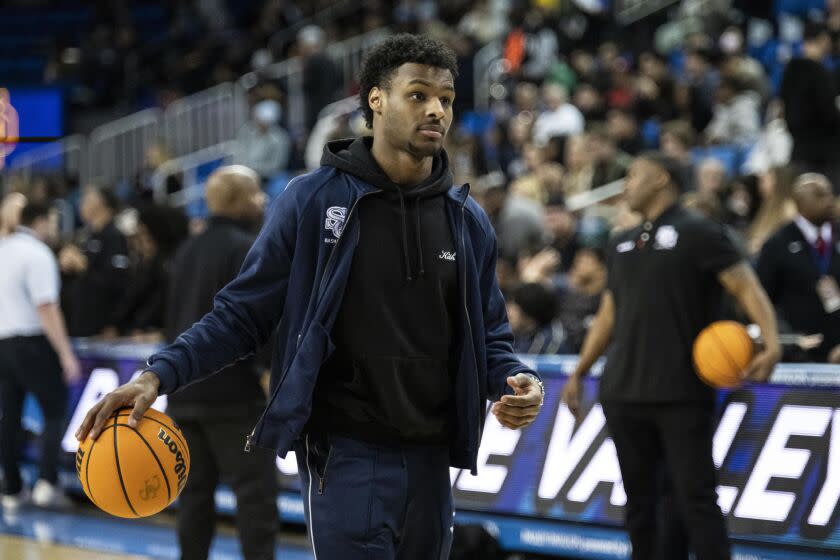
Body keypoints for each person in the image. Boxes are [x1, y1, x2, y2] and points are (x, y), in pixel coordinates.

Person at [77, 34, 544, 560]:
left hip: (435, 459)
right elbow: (241, 315)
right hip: (346, 457)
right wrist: (156, 375)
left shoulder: (467, 219)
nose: (436, 109)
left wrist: (511, 379)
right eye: (418, 95)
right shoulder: (312, 200)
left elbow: (491, 333)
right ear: (376, 100)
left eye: (446, 99)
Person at [561, 152, 781, 560]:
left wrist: (772, 343)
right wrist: (580, 370)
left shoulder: (699, 231)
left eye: (633, 175)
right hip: (624, 392)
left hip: (682, 392)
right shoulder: (620, 241)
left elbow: (746, 286)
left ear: (660, 179)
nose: (626, 184)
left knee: (695, 501)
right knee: (640, 506)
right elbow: (611, 311)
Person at [163, 166, 278, 560]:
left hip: (183, 395)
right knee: (255, 497)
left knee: (193, 497)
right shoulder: (245, 248)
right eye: (256, 192)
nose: (262, 200)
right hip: (235, 398)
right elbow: (257, 319)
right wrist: (268, 373)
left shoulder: (184, 249)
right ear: (235, 200)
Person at [0, 202, 81, 510]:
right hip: (32, 341)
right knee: (55, 409)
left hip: (3, 342)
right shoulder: (36, 253)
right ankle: (47, 483)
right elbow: (46, 306)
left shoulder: (4, 249)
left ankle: (11, 487)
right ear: (42, 220)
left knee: (9, 415)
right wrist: (65, 353)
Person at [756, 173, 840, 363]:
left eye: (829, 193)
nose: (829, 200)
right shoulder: (777, 244)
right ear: (799, 201)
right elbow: (763, 300)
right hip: (799, 356)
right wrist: (790, 340)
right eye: (819, 195)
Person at [59, 185, 130, 337]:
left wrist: (114, 323)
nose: (81, 204)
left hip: (101, 327)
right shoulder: (85, 237)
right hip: (79, 322)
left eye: (86, 199)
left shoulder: (115, 237)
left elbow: (119, 284)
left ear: (101, 203)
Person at [780, 21, 840, 190]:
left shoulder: (789, 71)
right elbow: (829, 114)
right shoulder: (819, 73)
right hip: (823, 157)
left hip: (798, 151)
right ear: (823, 39)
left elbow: (783, 108)